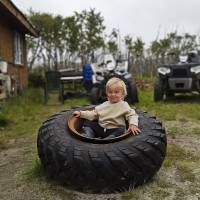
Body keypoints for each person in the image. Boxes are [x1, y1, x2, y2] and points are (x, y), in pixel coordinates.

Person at [73, 77, 141, 138]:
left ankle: (111, 138)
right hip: (101, 128)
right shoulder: (103, 105)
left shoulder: (124, 105)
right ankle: (88, 134)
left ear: (122, 93)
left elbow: (132, 115)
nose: (113, 94)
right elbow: (93, 114)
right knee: (88, 121)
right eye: (110, 92)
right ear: (106, 93)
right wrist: (81, 113)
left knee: (121, 129)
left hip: (114, 129)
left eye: (116, 92)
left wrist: (133, 124)